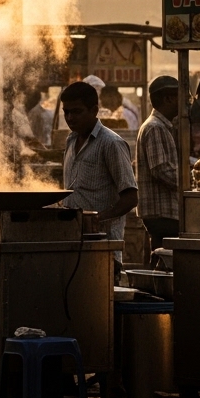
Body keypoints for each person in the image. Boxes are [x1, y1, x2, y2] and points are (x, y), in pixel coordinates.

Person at [59, 81, 138, 267]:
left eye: (76, 112)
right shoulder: (71, 141)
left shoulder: (111, 143)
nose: (70, 117)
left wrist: (95, 219)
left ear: (94, 110)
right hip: (73, 243)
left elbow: (130, 198)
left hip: (103, 246)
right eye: (66, 112)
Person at [135, 76, 181, 251]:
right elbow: (162, 170)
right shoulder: (156, 127)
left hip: (161, 211)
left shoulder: (160, 126)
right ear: (168, 99)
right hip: (162, 211)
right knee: (165, 257)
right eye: (180, 97)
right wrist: (189, 184)